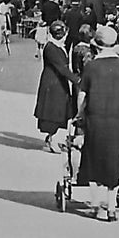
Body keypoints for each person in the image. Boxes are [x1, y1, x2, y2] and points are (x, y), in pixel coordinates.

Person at [74, 26, 119, 222]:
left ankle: (95, 204)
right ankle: (111, 207)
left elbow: (82, 96)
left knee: (93, 159)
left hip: (96, 119)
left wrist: (79, 114)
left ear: (97, 46)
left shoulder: (91, 67)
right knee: (114, 161)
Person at [34, 21, 78, 152]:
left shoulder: (56, 46)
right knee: (54, 109)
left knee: (59, 108)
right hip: (53, 83)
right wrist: (77, 80)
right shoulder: (52, 48)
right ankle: (52, 138)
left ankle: (53, 136)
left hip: (57, 82)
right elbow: (61, 68)